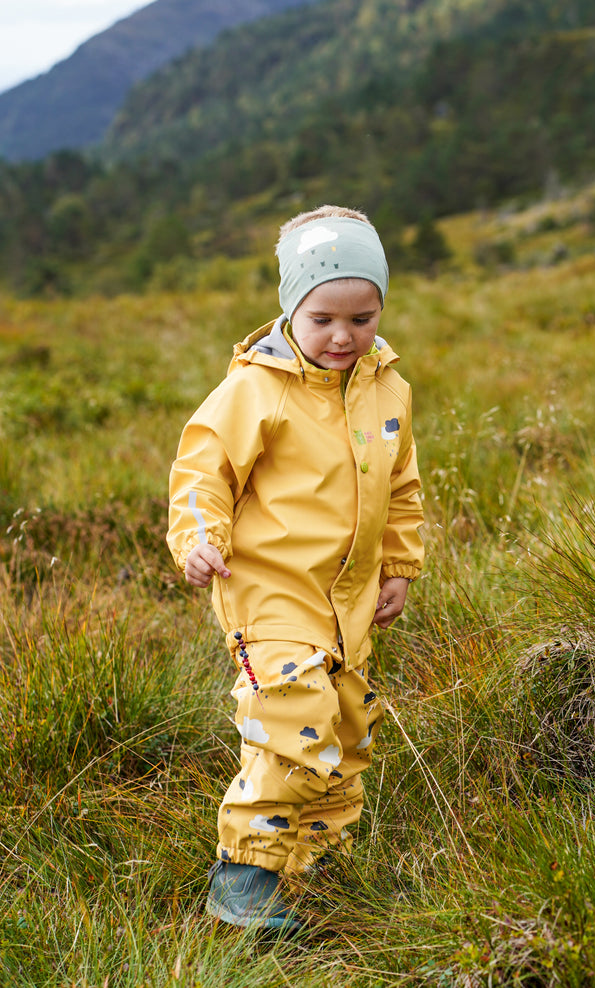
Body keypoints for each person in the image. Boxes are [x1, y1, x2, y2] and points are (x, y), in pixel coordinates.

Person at [167, 205, 424, 933]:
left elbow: (402, 484)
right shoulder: (258, 390)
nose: (344, 336)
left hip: (348, 599)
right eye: (323, 319)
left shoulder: (388, 390)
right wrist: (197, 535)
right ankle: (245, 873)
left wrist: (399, 564)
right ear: (291, 310)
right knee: (292, 722)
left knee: (345, 729)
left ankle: (309, 865)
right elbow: (203, 470)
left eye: (362, 316)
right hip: (269, 592)